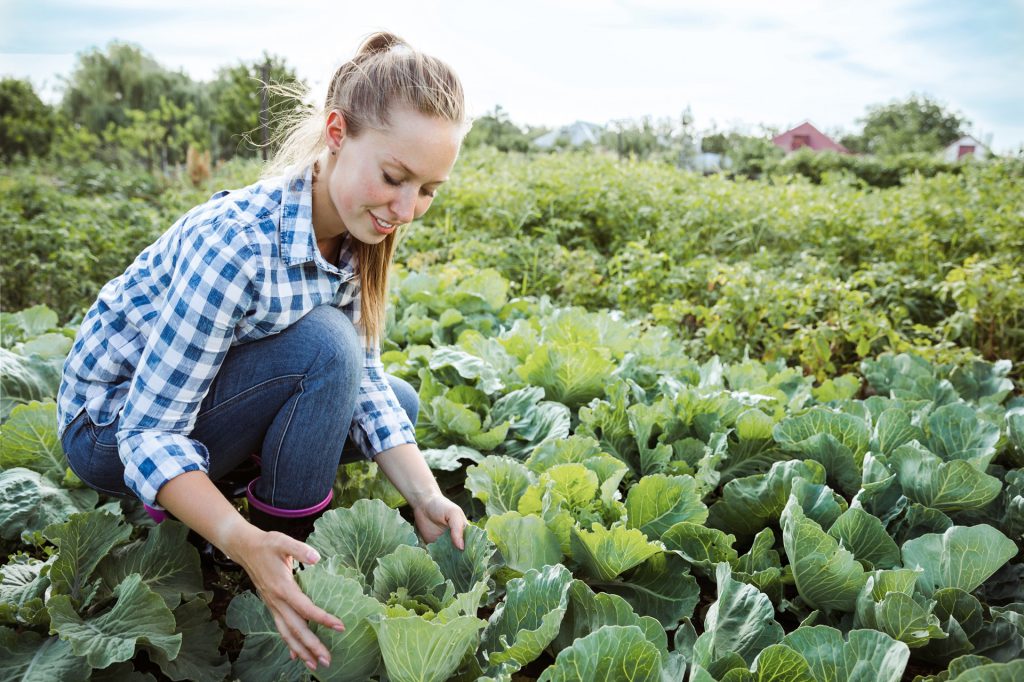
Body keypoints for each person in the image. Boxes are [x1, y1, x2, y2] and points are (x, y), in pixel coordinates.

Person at [56, 32, 468, 673]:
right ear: (336, 132)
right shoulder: (238, 244)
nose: (407, 209)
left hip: (202, 398)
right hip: (113, 427)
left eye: (428, 189)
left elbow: (367, 382)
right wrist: (239, 539)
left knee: (398, 403)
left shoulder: (361, 230)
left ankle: (243, 510)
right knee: (327, 345)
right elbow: (146, 431)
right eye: (395, 178)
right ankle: (271, 551)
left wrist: (426, 496)